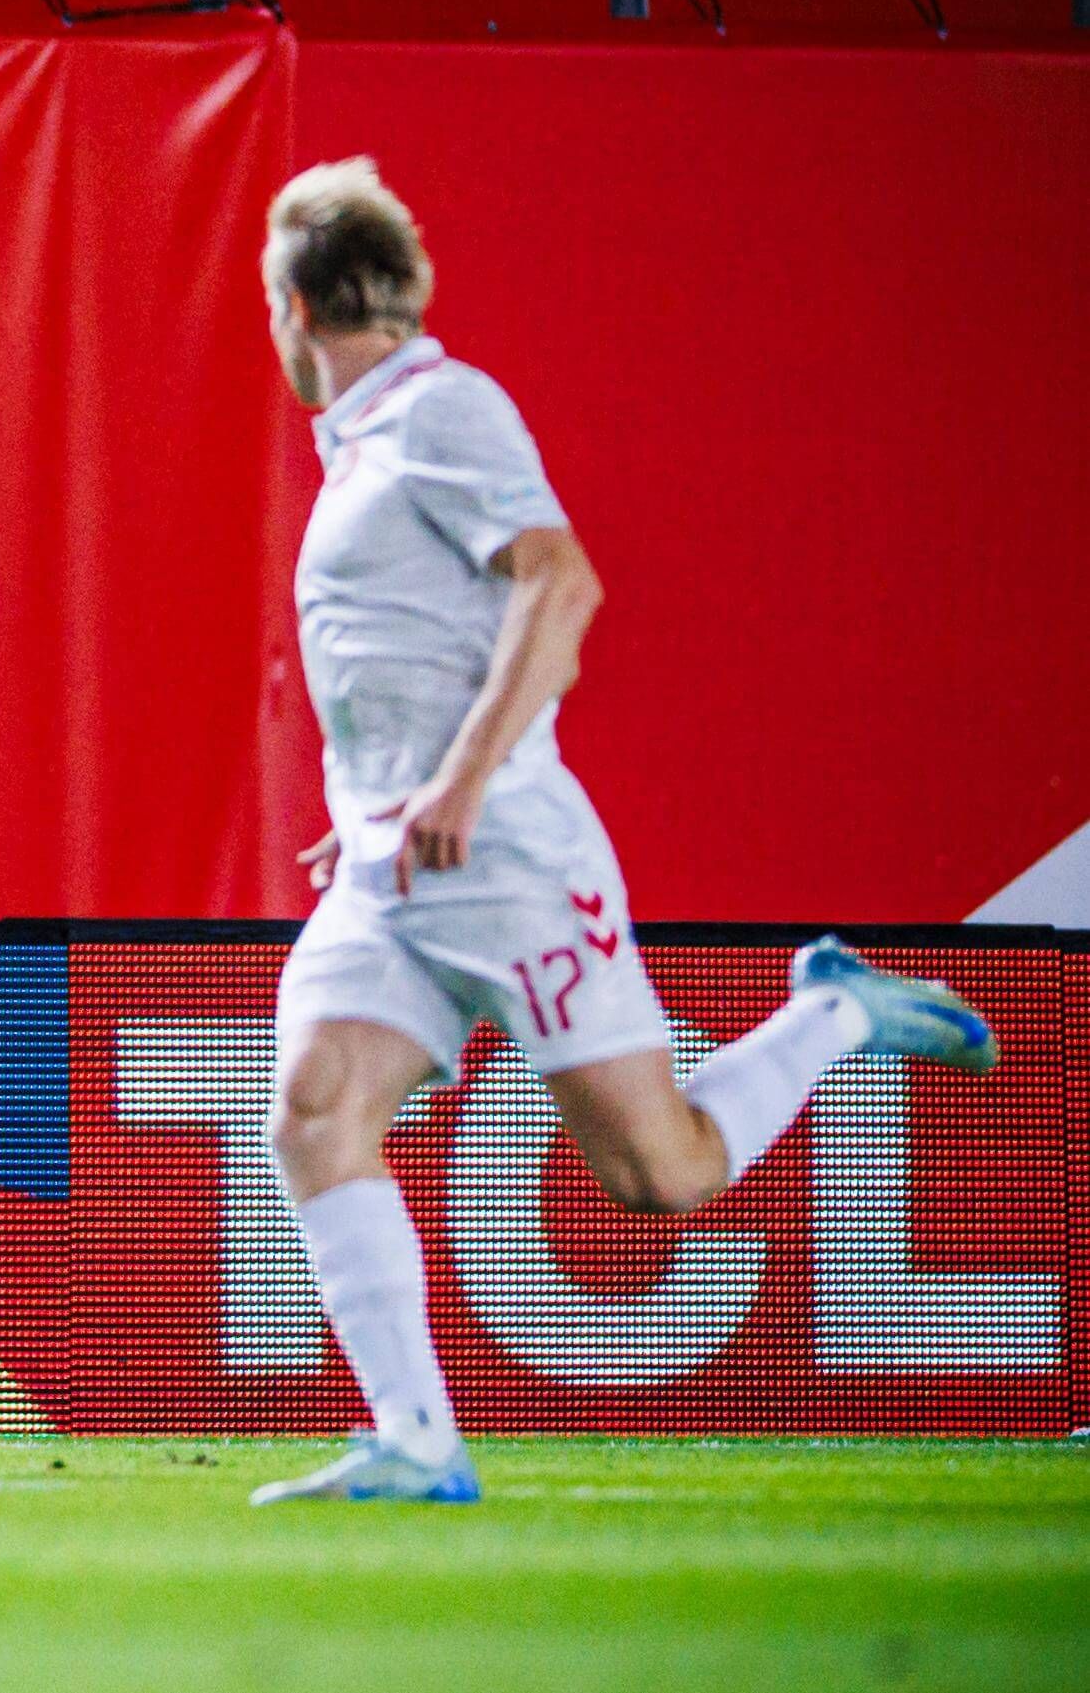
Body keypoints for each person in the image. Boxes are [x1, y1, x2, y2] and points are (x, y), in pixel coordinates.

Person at [251, 158, 996, 1505]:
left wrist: (464, 780)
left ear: (294, 306)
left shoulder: (441, 407)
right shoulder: (366, 442)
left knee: (658, 1177)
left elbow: (560, 582)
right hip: (389, 865)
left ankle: (827, 1012)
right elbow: (407, 650)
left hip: (505, 858)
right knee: (311, 1110)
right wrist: (375, 802)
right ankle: (414, 1438)